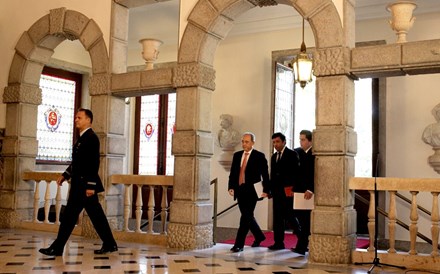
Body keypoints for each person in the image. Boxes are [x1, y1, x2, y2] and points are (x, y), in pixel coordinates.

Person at [39, 108, 118, 256]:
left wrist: (90, 186)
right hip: (78, 185)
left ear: (88, 120)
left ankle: (58, 247)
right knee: (90, 216)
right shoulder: (82, 138)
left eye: (79, 117)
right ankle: (110, 243)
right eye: (76, 117)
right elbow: (77, 163)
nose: (76, 119)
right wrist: (65, 175)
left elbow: (93, 164)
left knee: (74, 217)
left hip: (84, 186)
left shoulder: (91, 138)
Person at [228, 132, 269, 252]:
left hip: (252, 191)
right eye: (242, 141)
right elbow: (233, 174)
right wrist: (231, 187)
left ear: (253, 143)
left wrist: (266, 190)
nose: (244, 144)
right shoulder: (237, 155)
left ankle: (239, 244)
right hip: (240, 190)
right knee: (248, 216)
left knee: (245, 217)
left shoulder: (259, 156)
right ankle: (259, 236)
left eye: (246, 142)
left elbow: (265, 175)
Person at [265, 132, 300, 250]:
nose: (275, 144)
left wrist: (293, 189)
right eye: (274, 142)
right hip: (276, 191)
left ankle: (302, 240)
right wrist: (269, 190)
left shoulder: (292, 154)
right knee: (278, 218)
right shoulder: (274, 157)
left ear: (284, 142)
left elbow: (296, 173)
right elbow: (272, 176)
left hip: (288, 191)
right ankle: (278, 243)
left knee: (290, 216)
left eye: (278, 142)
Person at [292, 130, 315, 255]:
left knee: (305, 220)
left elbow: (315, 173)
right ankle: (301, 245)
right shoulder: (298, 152)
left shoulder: (314, 154)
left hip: (308, 191)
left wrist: (311, 189)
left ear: (310, 141)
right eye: (300, 139)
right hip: (299, 190)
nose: (301, 142)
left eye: (303, 139)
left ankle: (302, 246)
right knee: (299, 218)